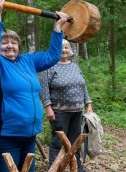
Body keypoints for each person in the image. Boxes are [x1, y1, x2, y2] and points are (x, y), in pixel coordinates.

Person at [0, 0, 69, 172]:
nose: (9, 46)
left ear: (19, 46)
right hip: (3, 135)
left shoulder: (27, 61)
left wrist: (58, 29)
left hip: (29, 136)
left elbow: (52, 57)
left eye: (13, 42)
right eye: (4, 43)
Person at [39, 39, 93, 172]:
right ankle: (54, 167)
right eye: (61, 48)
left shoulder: (75, 66)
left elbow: (83, 86)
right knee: (58, 142)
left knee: (75, 142)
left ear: (70, 50)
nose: (64, 50)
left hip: (77, 111)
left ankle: (77, 167)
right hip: (59, 112)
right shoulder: (49, 67)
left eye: (66, 48)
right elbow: (43, 89)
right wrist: (48, 107)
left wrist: (88, 103)